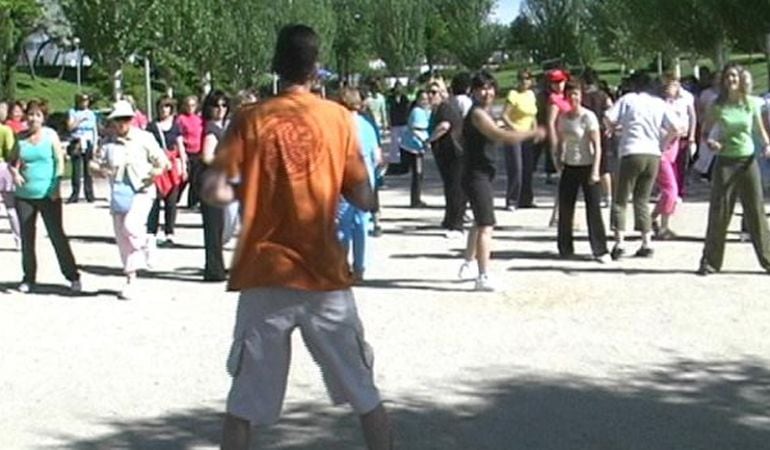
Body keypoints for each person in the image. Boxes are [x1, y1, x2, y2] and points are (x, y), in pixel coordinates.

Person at [200, 24, 392, 450]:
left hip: (264, 269)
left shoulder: (249, 118)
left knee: (244, 403)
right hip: (322, 270)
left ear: (275, 65)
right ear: (316, 68)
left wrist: (250, 185)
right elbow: (364, 196)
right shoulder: (339, 118)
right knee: (364, 391)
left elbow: (213, 190)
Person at [457, 71, 545, 291]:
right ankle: (483, 276)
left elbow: (467, 135)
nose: (487, 92)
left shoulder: (482, 113)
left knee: (479, 222)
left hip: (481, 172)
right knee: (487, 225)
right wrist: (530, 134)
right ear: (473, 92)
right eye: (481, 88)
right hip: (476, 175)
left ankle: (467, 264)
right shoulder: (477, 114)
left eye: (489, 87)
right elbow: (499, 136)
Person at [697, 64, 770, 275]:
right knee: (719, 211)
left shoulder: (750, 104)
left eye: (735, 76)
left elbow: (759, 130)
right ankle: (710, 262)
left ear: (740, 80)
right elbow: (706, 132)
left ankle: (767, 259)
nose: (731, 80)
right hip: (725, 162)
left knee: (756, 211)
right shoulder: (718, 106)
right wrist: (711, 143)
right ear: (723, 81)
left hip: (748, 161)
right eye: (728, 76)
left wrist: (767, 145)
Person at [93, 100, 169, 299]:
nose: (122, 124)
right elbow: (95, 164)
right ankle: (131, 277)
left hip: (142, 190)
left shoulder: (145, 138)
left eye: (126, 119)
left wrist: (155, 172)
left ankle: (146, 243)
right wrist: (100, 169)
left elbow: (163, 161)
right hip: (119, 193)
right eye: (118, 120)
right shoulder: (108, 143)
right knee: (122, 238)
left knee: (131, 226)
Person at [8, 100, 81, 293]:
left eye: (37, 115)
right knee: (27, 238)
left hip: (48, 194)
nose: (33, 119)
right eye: (30, 115)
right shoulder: (20, 138)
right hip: (24, 195)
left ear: (43, 118)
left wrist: (55, 186)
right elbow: (12, 161)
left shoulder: (50, 135)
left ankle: (72, 275)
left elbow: (59, 162)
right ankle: (29, 278)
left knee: (57, 235)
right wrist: (15, 173)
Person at [605, 72, 679, 260]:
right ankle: (646, 241)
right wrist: (663, 144)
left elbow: (608, 116)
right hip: (652, 153)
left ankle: (620, 242)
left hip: (631, 150)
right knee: (642, 199)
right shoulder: (659, 104)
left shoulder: (628, 99)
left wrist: (613, 129)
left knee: (621, 198)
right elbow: (676, 128)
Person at [555, 82, 609, 262]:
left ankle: (600, 249)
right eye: (570, 95)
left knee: (593, 209)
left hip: (587, 165)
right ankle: (565, 248)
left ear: (581, 95)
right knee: (565, 208)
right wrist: (558, 159)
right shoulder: (563, 117)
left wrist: (596, 170)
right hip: (570, 165)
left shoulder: (588, 117)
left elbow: (597, 146)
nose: (573, 98)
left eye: (576, 94)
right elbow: (561, 140)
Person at [337, 87, 382, 280]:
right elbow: (377, 157)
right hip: (366, 181)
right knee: (362, 225)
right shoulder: (367, 125)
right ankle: (360, 268)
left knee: (342, 226)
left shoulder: (339, 126)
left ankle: (342, 267)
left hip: (345, 180)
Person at [651, 73, 696, 239]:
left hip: (674, 148)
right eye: (672, 85)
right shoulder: (659, 104)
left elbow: (690, 117)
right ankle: (663, 226)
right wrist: (669, 138)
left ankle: (651, 220)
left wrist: (688, 136)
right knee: (671, 190)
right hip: (662, 150)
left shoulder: (683, 100)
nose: (676, 88)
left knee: (668, 189)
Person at [428, 72, 471, 238]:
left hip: (455, 153)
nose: (430, 96)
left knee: (455, 188)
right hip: (447, 153)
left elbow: (444, 126)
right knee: (449, 186)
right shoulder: (439, 108)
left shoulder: (445, 107)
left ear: (442, 93)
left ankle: (457, 225)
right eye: (429, 92)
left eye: (434, 92)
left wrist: (429, 139)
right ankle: (449, 219)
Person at [146, 96, 187, 247]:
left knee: (171, 201)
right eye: (162, 106)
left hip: (172, 167)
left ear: (171, 109)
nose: (164, 110)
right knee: (154, 201)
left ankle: (169, 232)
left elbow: (180, 146)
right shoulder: (151, 126)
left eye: (168, 107)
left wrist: (184, 165)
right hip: (157, 167)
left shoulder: (175, 126)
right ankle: (152, 233)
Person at [199, 90, 231, 282]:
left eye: (223, 105)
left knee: (218, 227)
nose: (220, 110)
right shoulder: (212, 128)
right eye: (216, 106)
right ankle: (214, 270)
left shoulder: (221, 126)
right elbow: (207, 156)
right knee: (213, 227)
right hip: (211, 180)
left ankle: (216, 267)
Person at [501, 68, 538, 210]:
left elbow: (532, 114)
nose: (524, 82)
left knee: (528, 168)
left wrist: (535, 129)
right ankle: (512, 200)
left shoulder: (530, 94)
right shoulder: (513, 94)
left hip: (527, 135)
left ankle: (526, 199)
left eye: (527, 79)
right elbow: (504, 116)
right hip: (514, 135)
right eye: (522, 78)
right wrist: (514, 128)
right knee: (516, 168)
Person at [580, 68, 614, 207]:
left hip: (586, 132)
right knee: (603, 166)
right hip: (601, 131)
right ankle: (608, 196)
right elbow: (610, 111)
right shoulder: (602, 95)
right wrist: (609, 127)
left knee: (589, 163)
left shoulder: (582, 96)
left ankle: (594, 193)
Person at [545, 69, 572, 226]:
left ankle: (558, 215)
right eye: (555, 82)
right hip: (560, 142)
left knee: (567, 181)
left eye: (561, 81)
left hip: (570, 141)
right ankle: (558, 216)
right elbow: (550, 123)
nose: (559, 85)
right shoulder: (554, 99)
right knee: (565, 180)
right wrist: (554, 144)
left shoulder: (565, 98)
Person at [400, 89, 433, 207]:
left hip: (420, 146)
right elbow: (414, 129)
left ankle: (417, 198)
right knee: (417, 173)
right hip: (414, 146)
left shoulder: (426, 111)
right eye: (422, 99)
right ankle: (415, 200)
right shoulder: (416, 111)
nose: (425, 101)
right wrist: (424, 141)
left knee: (419, 174)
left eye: (426, 99)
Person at [66, 93, 98, 203]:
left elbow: (94, 130)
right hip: (77, 141)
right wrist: (79, 121)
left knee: (88, 169)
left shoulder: (91, 114)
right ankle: (75, 193)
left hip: (88, 141)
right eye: (83, 101)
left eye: (86, 101)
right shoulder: (73, 112)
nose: (85, 103)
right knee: (76, 169)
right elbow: (70, 127)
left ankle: (89, 193)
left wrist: (95, 144)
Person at [176, 95, 204, 208]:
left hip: (198, 151)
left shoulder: (200, 119)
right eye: (188, 105)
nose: (190, 107)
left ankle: (192, 202)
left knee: (195, 179)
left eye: (192, 105)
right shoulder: (181, 119)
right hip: (186, 152)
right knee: (184, 178)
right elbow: (178, 136)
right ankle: (174, 197)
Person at [0, 118, 20, 249]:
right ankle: (18, 239)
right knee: (11, 208)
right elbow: (10, 151)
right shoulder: (5, 130)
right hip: (2, 168)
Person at [385, 81, 410, 173]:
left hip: (403, 123)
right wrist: (388, 121)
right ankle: (394, 163)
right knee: (394, 144)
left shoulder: (405, 98)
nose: (398, 89)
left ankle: (404, 163)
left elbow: (407, 110)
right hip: (394, 123)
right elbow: (387, 110)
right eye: (396, 87)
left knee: (403, 143)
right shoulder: (390, 98)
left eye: (400, 87)